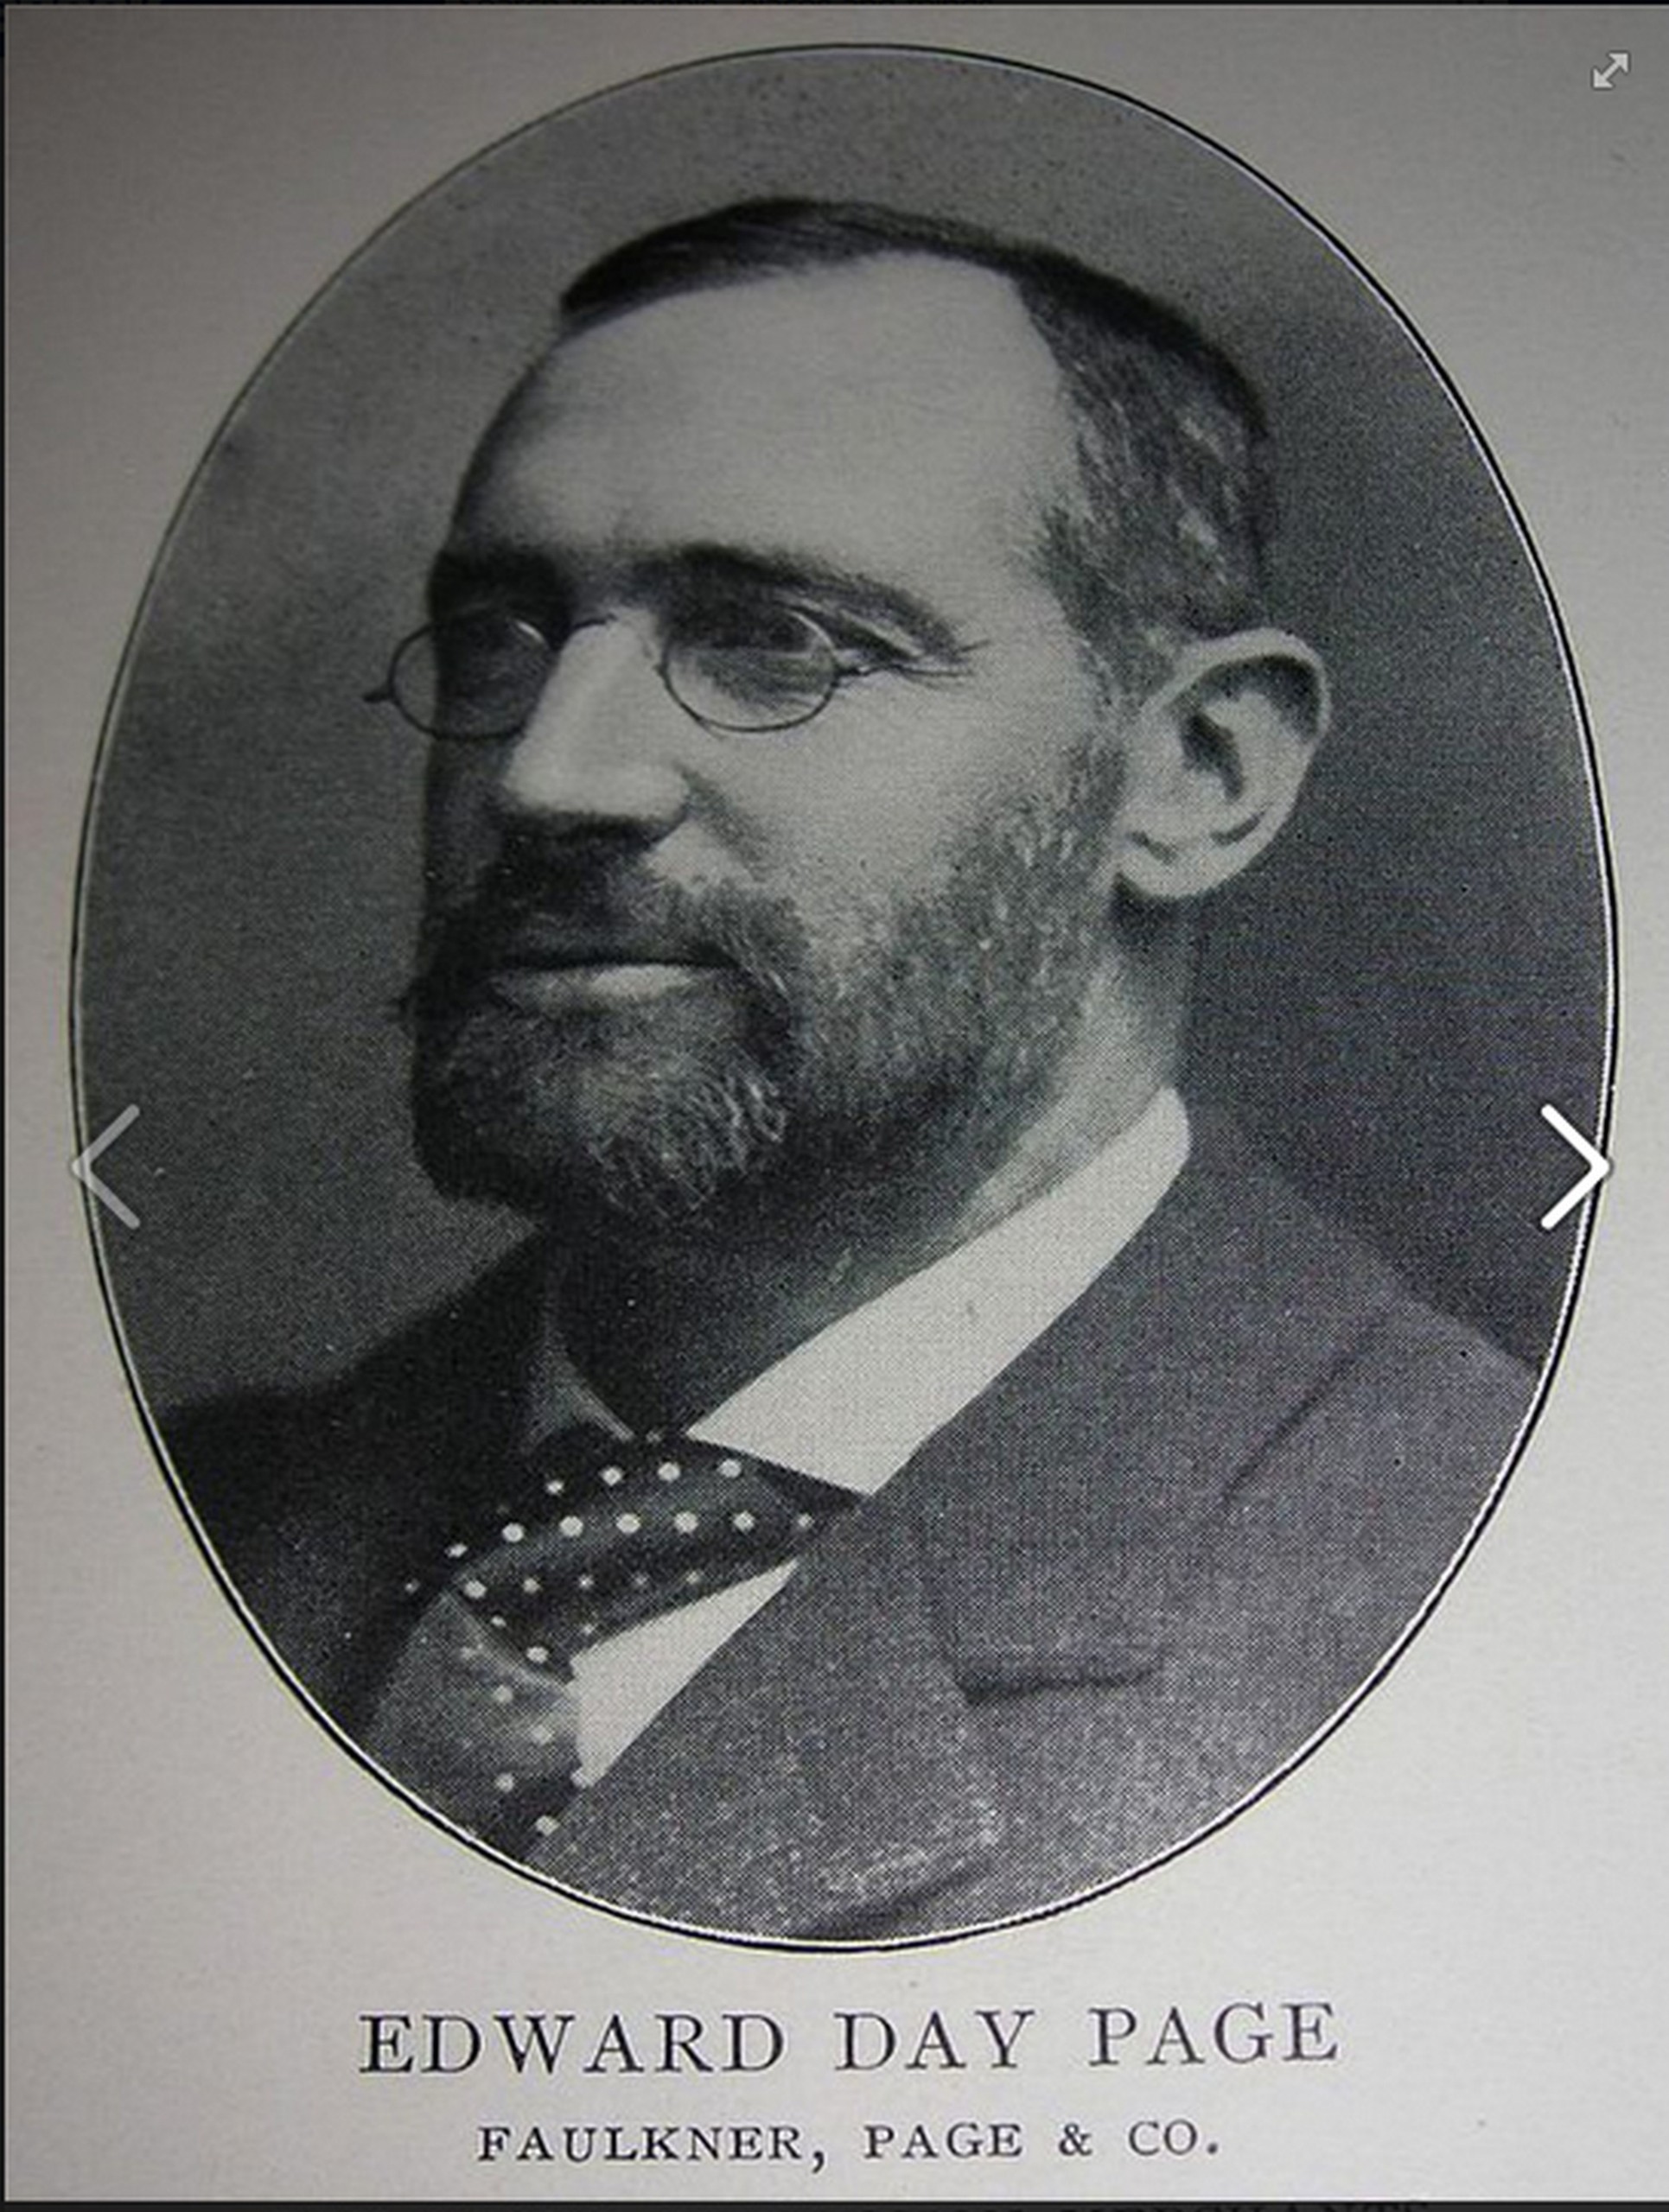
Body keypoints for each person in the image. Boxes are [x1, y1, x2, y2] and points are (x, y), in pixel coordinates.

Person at [173, 200, 1533, 1941]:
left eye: (774, 641)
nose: (546, 776)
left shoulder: (1495, 1577)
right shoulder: (193, 1525)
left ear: (1195, 773)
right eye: (506, 635)